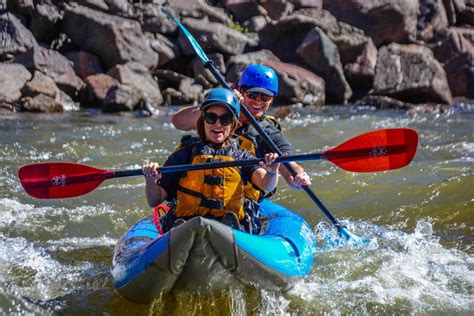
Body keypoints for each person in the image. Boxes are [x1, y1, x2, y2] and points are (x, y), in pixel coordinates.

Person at [142, 88, 280, 232]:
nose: (218, 124)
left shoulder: (241, 156)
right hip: (187, 226)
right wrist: (150, 181)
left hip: (229, 230)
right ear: (203, 121)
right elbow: (154, 201)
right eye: (211, 118)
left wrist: (271, 172)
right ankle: (184, 230)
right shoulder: (185, 153)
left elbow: (266, 185)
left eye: (225, 119)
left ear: (232, 123)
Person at [171, 64, 311, 193]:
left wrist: (298, 177)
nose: (258, 101)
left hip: (240, 197)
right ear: (241, 92)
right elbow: (178, 122)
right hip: (202, 187)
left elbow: (287, 164)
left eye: (264, 97)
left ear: (272, 99)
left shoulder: (269, 132)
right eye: (252, 95)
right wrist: (217, 102)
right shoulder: (219, 114)